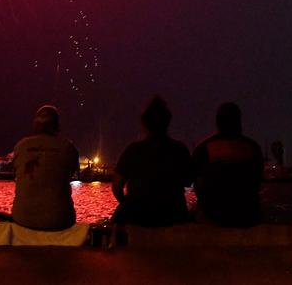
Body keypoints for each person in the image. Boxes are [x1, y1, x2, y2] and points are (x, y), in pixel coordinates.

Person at [112, 96, 194, 226]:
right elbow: (188, 180)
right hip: (173, 215)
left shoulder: (132, 150)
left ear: (145, 124)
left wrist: (127, 203)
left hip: (137, 216)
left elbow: (116, 187)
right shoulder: (179, 150)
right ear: (167, 122)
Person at [192, 102, 264, 227]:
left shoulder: (204, 148)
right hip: (246, 215)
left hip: (212, 216)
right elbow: (256, 181)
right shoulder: (252, 148)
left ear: (218, 122)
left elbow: (197, 182)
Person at [12, 104, 79, 230]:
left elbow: (16, 173)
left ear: (35, 125)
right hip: (60, 219)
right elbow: (71, 174)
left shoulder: (21, 146)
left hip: (23, 218)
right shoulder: (68, 147)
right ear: (57, 125)